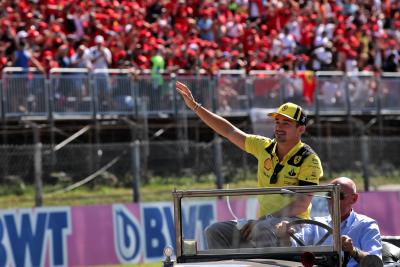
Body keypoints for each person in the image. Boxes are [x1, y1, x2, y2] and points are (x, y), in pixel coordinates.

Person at [175, 81, 323, 249]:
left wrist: (265, 220)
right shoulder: (264, 146)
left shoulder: (309, 159)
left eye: (286, 123)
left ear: (301, 129)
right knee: (215, 231)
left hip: (296, 224)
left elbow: (301, 204)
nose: (279, 127)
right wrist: (195, 106)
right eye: (277, 122)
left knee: (260, 229)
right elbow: (229, 131)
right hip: (264, 222)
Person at [276, 177, 382, 267]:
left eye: (338, 196)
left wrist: (353, 251)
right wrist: (286, 235)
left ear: (354, 199)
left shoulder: (367, 225)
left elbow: (375, 263)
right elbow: (293, 248)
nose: (332, 200)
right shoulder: (316, 223)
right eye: (329, 195)